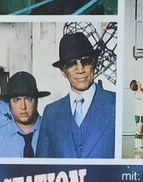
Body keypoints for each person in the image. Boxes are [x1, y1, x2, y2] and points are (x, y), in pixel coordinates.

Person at [36, 31, 116, 159]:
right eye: (71, 64)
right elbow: (41, 165)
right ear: (63, 72)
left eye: (86, 61)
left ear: (94, 64)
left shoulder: (116, 104)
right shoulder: (51, 113)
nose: (80, 70)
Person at [0, 71, 50, 158]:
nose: (23, 106)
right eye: (16, 100)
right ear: (9, 105)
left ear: (36, 102)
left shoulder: (54, 133)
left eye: (28, 99)